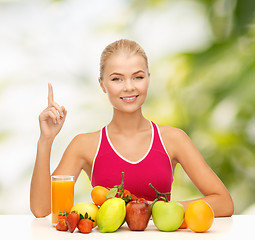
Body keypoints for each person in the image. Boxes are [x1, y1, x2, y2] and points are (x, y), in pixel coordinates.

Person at [30, 39, 234, 218]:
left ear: (148, 78)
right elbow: (42, 209)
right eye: (116, 78)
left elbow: (223, 202)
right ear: (102, 85)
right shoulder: (84, 145)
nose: (129, 87)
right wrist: (45, 140)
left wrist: (156, 209)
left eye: (137, 77)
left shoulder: (174, 139)